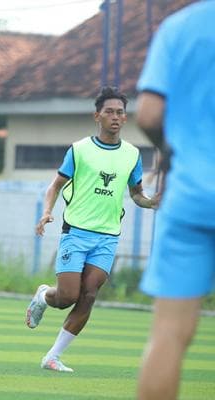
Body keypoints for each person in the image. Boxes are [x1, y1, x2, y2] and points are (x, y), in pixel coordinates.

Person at [26, 86, 159, 372]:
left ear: (125, 118)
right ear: (96, 115)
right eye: (109, 111)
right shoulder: (79, 150)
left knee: (89, 294)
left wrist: (151, 203)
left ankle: (52, 356)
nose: (115, 116)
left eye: (120, 112)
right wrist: (47, 212)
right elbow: (55, 186)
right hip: (75, 232)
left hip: (107, 237)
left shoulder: (132, 155)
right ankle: (43, 296)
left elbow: (136, 194)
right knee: (67, 297)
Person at [136, 2, 215, 399]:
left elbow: (148, 114)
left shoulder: (179, 27)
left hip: (190, 196)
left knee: (169, 333)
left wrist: (169, 149)